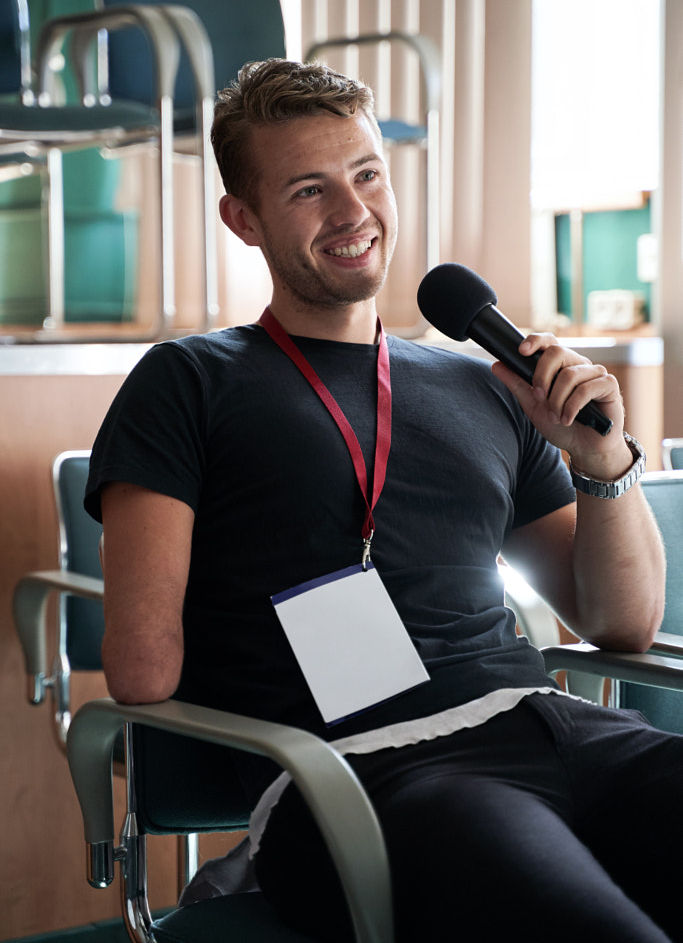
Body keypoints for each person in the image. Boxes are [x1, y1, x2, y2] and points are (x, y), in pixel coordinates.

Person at [85, 58, 681, 943]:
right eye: (307, 190)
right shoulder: (188, 382)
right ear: (241, 220)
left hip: (562, 730)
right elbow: (141, 673)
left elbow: (621, 624)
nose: (352, 212)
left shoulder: (485, 386)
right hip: (369, 776)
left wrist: (600, 457)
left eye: (366, 175)